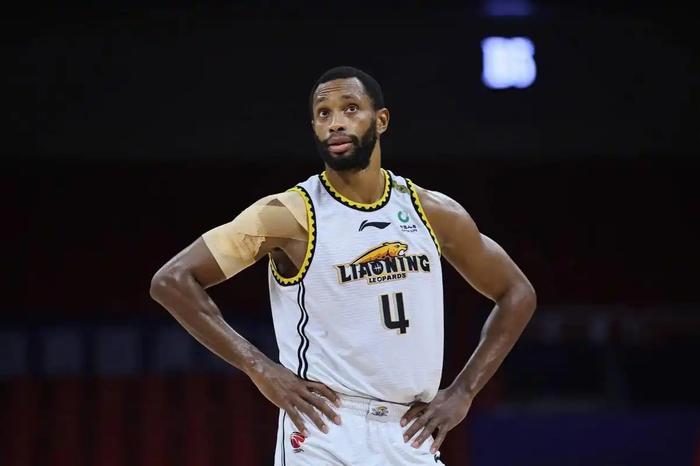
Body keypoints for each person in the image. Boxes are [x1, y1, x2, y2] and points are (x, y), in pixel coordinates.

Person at [150, 65, 537, 465]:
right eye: (324, 113)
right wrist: (259, 368)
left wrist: (464, 392)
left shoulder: (432, 212)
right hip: (327, 427)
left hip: (410, 431)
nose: (335, 122)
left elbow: (517, 293)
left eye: (350, 108)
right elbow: (173, 280)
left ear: (381, 120)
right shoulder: (287, 215)